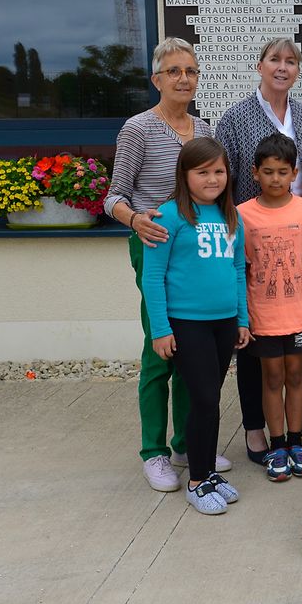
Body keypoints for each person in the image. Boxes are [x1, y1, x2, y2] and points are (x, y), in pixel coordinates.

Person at [104, 37, 232, 493]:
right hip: (156, 246)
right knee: (161, 348)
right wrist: (137, 220)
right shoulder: (138, 128)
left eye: (191, 71)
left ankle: (186, 443)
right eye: (174, 71)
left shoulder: (202, 127)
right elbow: (112, 196)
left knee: (193, 355)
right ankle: (154, 452)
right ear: (156, 79)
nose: (184, 79)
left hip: (201, 250)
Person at [215, 37, 302, 464]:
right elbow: (220, 177)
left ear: (298, 70)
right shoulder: (236, 118)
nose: (282, 67)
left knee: (301, 350)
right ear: (260, 65)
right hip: (255, 240)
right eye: (274, 60)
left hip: (301, 232)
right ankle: (255, 427)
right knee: (257, 346)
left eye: (291, 61)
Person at [142, 138, 250, 515]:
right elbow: (153, 278)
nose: (212, 179)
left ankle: (206, 472)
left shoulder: (231, 216)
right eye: (202, 172)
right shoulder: (169, 216)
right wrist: (160, 329)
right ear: (184, 175)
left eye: (218, 171)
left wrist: (242, 319)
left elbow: (238, 270)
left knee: (211, 399)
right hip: (187, 324)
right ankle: (197, 481)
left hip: (223, 324)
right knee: (203, 399)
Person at [237, 134, 302, 483]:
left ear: (294, 173)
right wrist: (242, 315)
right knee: (272, 377)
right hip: (263, 314)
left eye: (282, 172)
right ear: (254, 173)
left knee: (297, 375)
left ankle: (296, 442)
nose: (275, 179)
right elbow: (240, 268)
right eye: (268, 172)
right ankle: (276, 444)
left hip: (300, 313)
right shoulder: (242, 215)